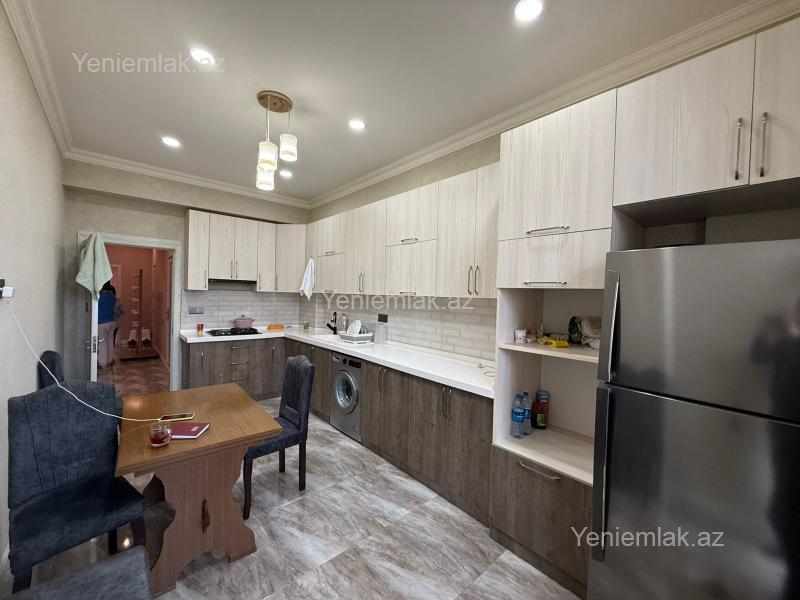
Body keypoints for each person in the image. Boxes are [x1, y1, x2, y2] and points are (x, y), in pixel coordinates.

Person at [98, 281, 117, 368]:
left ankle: (102, 363)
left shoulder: (100, 296)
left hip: (102, 322)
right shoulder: (112, 296)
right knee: (109, 342)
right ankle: (109, 360)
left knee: (102, 343)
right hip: (112, 321)